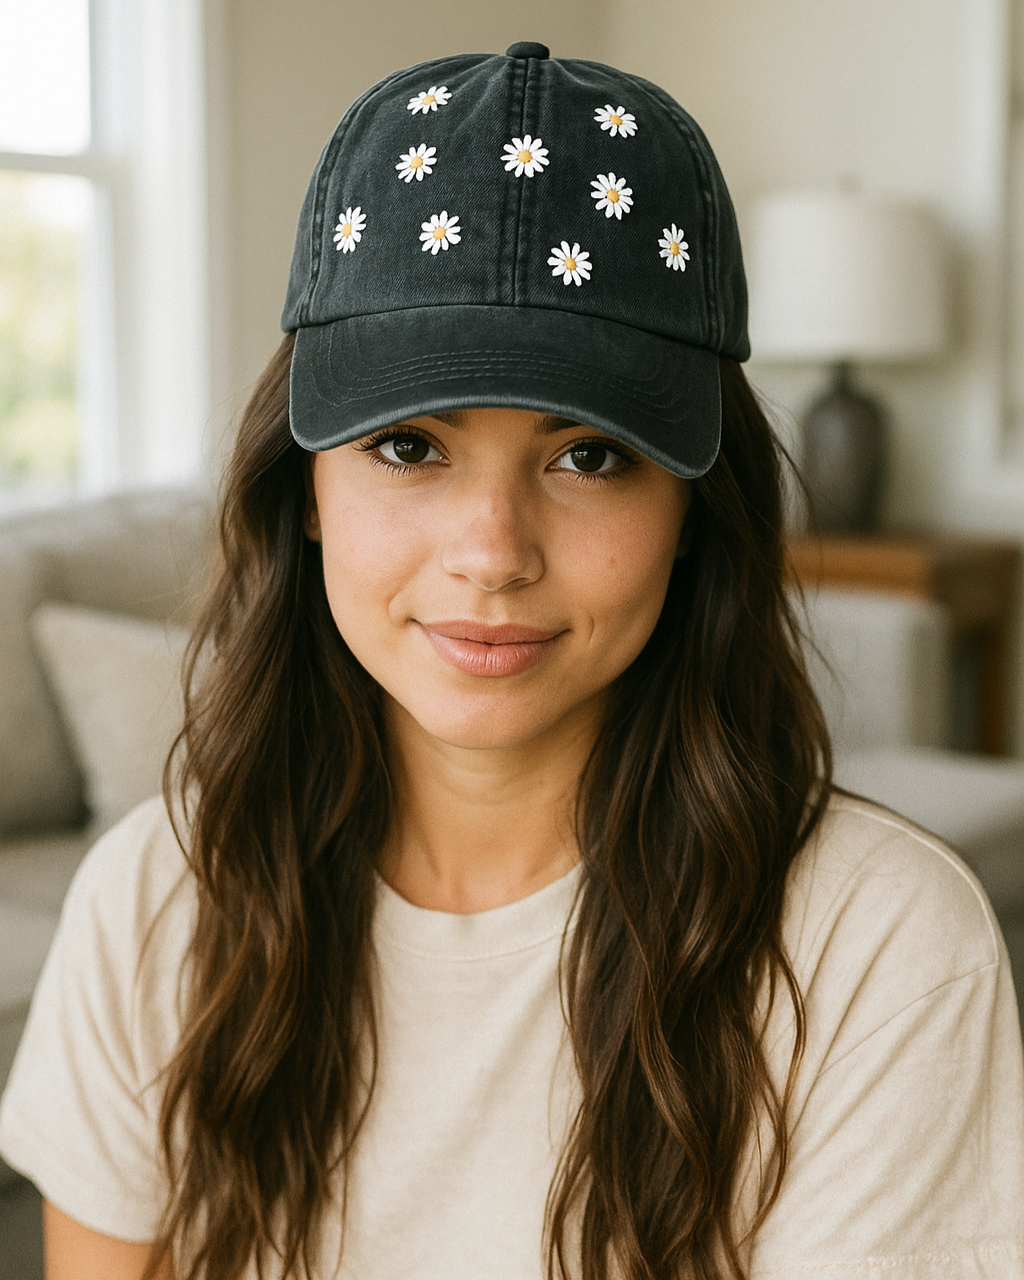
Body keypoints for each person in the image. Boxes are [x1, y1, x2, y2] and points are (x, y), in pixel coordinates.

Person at [2, 41, 1023, 1280]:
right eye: (409, 445)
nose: (491, 554)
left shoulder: (878, 946)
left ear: (695, 506)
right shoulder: (156, 898)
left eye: (588, 454)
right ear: (306, 488)